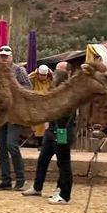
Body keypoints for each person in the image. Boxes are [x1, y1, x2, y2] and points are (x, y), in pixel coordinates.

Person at [23, 62, 74, 203]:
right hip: (51, 130)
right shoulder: (55, 90)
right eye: (56, 70)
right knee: (43, 159)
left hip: (62, 131)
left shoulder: (69, 92)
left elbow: (65, 117)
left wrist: (61, 135)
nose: (55, 73)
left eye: (59, 71)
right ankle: (37, 187)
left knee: (63, 163)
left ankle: (64, 194)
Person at [0, 45, 31, 191]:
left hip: (14, 112)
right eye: (1, 56)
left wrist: (13, 90)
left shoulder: (19, 70)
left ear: (11, 57)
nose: (3, 58)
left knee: (11, 145)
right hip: (1, 113)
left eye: (6, 56)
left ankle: (20, 179)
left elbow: (28, 87)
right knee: (1, 148)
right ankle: (5, 180)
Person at [28, 62, 54, 143]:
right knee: (37, 125)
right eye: (40, 75)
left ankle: (43, 143)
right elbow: (27, 78)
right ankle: (39, 142)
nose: (42, 77)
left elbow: (57, 80)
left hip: (47, 105)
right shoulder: (34, 79)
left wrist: (52, 74)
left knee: (45, 125)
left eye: (44, 75)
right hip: (36, 105)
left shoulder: (50, 80)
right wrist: (35, 72)